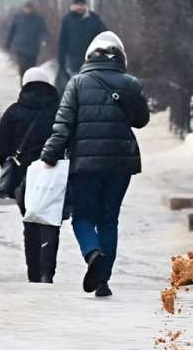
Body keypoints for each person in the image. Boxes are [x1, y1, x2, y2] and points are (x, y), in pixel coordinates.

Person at [41, 31, 149, 297]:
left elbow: (63, 124)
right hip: (120, 163)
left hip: (86, 164)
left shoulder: (77, 84)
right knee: (109, 220)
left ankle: (92, 254)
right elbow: (141, 119)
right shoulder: (130, 83)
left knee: (84, 216)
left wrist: (49, 155)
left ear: (89, 57)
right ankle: (103, 280)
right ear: (120, 57)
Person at [0, 67, 62, 283]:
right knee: (51, 223)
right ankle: (47, 273)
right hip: (53, 174)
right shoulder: (59, 111)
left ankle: (34, 274)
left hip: (24, 177)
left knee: (29, 223)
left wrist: (10, 161)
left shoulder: (14, 111)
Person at [57, 0, 106, 80]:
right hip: (74, 62)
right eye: (77, 5)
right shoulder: (67, 20)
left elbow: (104, 36)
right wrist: (61, 62)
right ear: (73, 6)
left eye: (81, 5)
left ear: (85, 5)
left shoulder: (94, 18)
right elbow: (62, 41)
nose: (79, 7)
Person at [5, 1, 48, 80]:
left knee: (31, 69)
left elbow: (43, 31)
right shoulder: (18, 18)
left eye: (30, 9)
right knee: (22, 67)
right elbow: (12, 31)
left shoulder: (38, 19)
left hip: (33, 47)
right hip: (21, 47)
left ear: (33, 9)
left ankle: (29, 84)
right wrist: (8, 43)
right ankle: (23, 84)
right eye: (26, 8)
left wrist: (43, 39)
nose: (28, 10)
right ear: (23, 9)